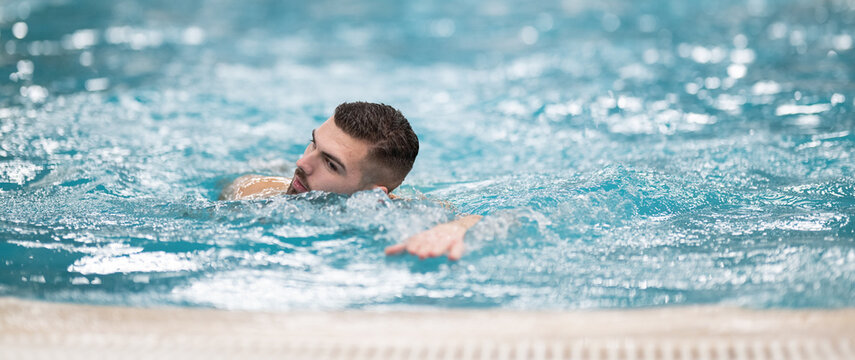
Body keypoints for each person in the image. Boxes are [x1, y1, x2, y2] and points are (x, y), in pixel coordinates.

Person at [220, 101, 481, 260]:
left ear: (373, 194)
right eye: (313, 144)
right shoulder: (252, 192)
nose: (301, 164)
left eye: (331, 164)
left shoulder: (398, 213)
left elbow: (488, 219)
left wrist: (456, 229)